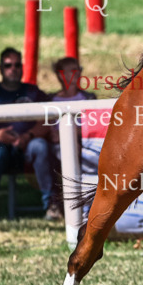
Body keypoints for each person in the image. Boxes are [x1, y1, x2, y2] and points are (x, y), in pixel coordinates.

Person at [0, 47, 52, 221]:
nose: (13, 69)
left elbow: (49, 119)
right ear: (0, 68)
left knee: (40, 146)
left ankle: (51, 208)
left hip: (28, 147)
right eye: (8, 65)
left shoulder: (33, 92)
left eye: (17, 65)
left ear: (22, 68)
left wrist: (28, 136)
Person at [44, 56, 97, 220]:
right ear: (61, 75)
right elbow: (45, 127)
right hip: (57, 147)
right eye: (72, 71)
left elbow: (95, 127)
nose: (77, 74)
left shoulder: (89, 98)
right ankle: (57, 203)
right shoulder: (51, 100)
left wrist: (73, 135)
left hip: (84, 144)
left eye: (78, 70)